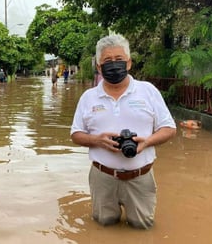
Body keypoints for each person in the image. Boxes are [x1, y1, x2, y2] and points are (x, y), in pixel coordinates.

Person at [70, 34, 176, 229]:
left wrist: (147, 142)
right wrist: (97, 140)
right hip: (102, 177)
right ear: (99, 67)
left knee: (142, 227)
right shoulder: (89, 97)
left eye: (119, 60)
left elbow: (169, 128)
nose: (114, 65)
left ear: (129, 63)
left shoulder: (148, 91)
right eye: (107, 61)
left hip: (141, 177)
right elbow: (75, 134)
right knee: (103, 227)